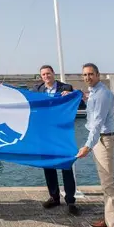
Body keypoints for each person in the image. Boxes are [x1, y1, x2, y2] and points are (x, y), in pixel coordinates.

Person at [77, 63, 114, 227]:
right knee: (105, 184)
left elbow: (97, 123)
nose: (88, 77)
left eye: (91, 74)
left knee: (108, 187)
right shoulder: (94, 92)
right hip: (99, 141)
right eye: (85, 75)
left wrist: (88, 145)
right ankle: (111, 219)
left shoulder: (101, 94)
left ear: (98, 75)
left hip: (103, 141)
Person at [32, 64, 81, 216]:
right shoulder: (37, 90)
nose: (46, 76)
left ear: (53, 74)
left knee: (66, 167)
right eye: (43, 75)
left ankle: (71, 200)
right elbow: (26, 101)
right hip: (45, 134)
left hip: (61, 133)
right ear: (41, 77)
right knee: (48, 167)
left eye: (48, 73)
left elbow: (80, 103)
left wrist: (71, 95)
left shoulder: (66, 87)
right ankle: (54, 197)